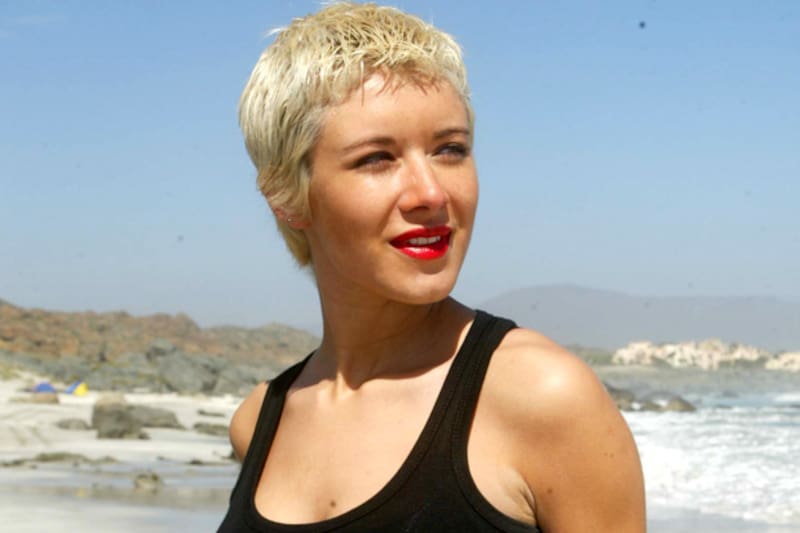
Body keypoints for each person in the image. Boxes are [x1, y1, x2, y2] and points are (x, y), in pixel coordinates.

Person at [218, 3, 645, 532]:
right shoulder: (260, 421)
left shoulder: (543, 397)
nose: (432, 193)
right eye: (377, 158)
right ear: (286, 196)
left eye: (450, 150)